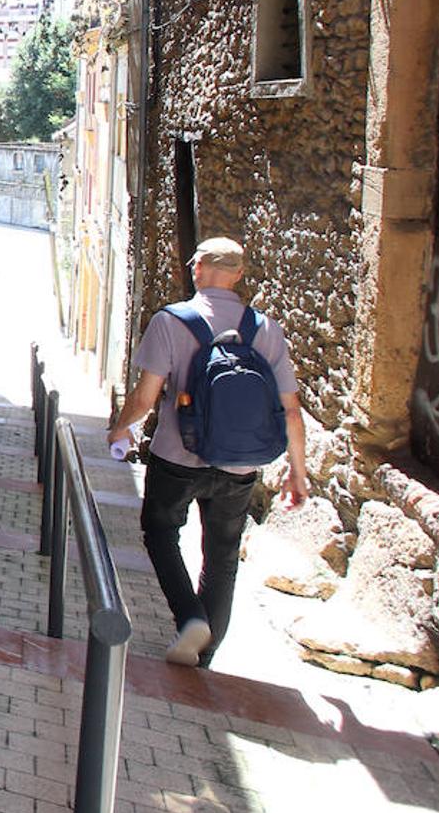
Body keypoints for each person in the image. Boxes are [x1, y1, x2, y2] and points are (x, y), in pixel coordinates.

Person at [106, 236, 307, 668]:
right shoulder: (264, 329)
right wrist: (298, 472)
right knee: (222, 554)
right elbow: (291, 410)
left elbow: (145, 396)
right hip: (241, 464)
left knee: (160, 534)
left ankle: (190, 617)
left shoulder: (172, 322)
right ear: (238, 275)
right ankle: (205, 651)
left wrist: (121, 428)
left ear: (197, 269)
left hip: (178, 456)